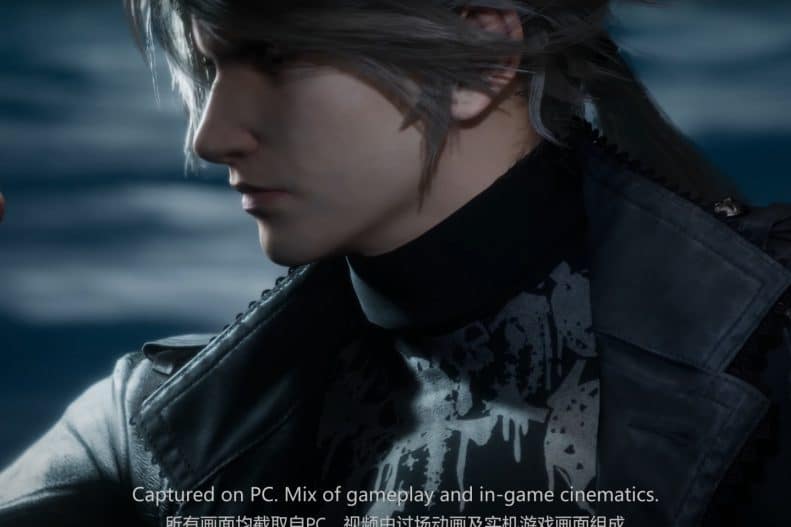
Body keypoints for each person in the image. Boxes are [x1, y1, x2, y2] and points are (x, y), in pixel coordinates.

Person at [1, 1, 789, 526]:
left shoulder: (773, 354)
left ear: (478, 56)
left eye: (273, 58)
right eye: (209, 71)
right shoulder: (150, 426)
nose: (211, 137)